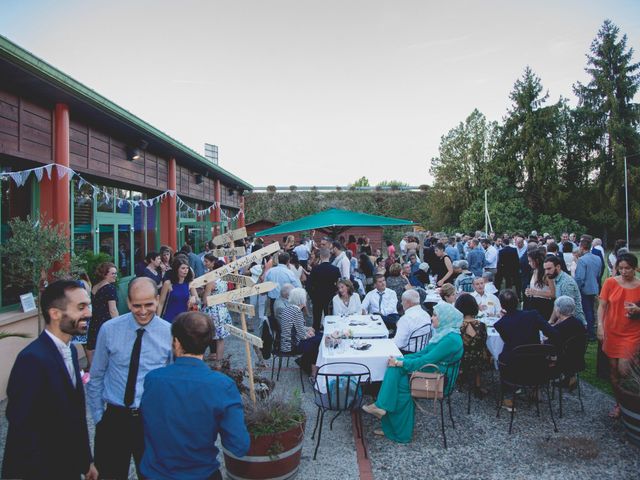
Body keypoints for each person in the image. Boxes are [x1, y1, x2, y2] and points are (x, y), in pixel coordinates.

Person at [2, 280, 98, 480]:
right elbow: (21, 426)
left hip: (69, 467)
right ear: (55, 314)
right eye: (81, 307)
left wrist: (86, 460)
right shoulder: (32, 359)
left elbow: (75, 414)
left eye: (88, 306)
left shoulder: (71, 350)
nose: (88, 313)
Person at [140, 312, 249, 480]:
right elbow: (239, 445)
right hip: (201, 472)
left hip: (156, 473)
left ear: (176, 342)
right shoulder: (222, 386)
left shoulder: (152, 379)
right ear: (207, 343)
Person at [87, 277, 172, 479]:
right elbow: (96, 375)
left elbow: (171, 382)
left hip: (150, 419)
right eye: (136, 305)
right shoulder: (109, 330)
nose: (143, 311)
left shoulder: (169, 333)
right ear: (128, 302)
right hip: (114, 419)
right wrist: (99, 418)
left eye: (149, 304)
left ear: (158, 299)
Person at [362, 302, 464, 442]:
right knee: (397, 374)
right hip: (433, 371)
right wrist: (400, 358)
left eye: (435, 315)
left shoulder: (451, 339)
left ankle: (388, 415)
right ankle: (388, 418)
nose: (431, 318)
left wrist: (401, 363)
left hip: (440, 380)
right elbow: (422, 354)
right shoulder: (444, 334)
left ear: (445, 318)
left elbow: (426, 359)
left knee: (399, 381)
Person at [597, 253, 640, 418]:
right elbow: (602, 306)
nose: (623, 271)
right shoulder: (610, 283)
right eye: (620, 268)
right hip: (612, 331)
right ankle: (619, 403)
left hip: (632, 333)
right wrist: (600, 326)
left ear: (635, 268)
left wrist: (637, 310)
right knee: (613, 371)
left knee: (624, 370)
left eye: (627, 268)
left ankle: (630, 402)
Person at [279, 288, 322, 374]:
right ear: (302, 299)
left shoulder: (288, 308)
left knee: (318, 336)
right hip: (292, 345)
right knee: (319, 340)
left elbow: (297, 328)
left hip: (287, 342)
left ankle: (307, 363)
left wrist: (308, 332)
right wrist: (310, 334)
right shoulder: (297, 311)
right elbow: (302, 335)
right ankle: (312, 370)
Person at [455, 293, 489, 398]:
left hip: (462, 358)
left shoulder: (457, 326)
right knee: (478, 352)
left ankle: (460, 376)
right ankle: (477, 385)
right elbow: (484, 341)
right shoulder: (482, 325)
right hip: (479, 358)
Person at [86, 262, 119, 366]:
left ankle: (92, 371)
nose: (115, 276)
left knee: (92, 347)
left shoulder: (95, 287)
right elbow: (113, 310)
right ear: (105, 274)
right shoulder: (110, 288)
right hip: (106, 322)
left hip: (94, 321)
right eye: (113, 273)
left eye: (116, 273)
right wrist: (118, 325)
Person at [202, 257, 232, 366]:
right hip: (222, 310)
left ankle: (199, 357)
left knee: (206, 335)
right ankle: (218, 362)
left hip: (212, 310)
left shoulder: (212, 281)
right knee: (220, 338)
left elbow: (206, 300)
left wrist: (204, 293)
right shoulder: (224, 281)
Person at [544, 256, 586, 327]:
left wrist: (553, 325)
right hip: (569, 323)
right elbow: (558, 305)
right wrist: (551, 321)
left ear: (558, 267)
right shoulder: (558, 279)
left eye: (549, 269)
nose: (546, 272)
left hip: (574, 325)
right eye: (545, 269)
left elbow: (567, 312)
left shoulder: (566, 283)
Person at [575, 238, 603, 340]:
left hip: (584, 289)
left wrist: (577, 288)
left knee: (587, 311)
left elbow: (579, 278)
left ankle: (590, 333)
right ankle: (592, 331)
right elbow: (599, 274)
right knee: (591, 310)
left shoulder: (582, 260)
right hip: (594, 287)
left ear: (582, 247)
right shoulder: (598, 258)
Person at [306, 248, 341, 330]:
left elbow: (308, 285)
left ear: (320, 256)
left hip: (317, 297)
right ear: (329, 256)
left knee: (316, 321)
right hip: (330, 297)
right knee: (330, 320)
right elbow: (339, 284)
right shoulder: (335, 269)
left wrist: (312, 296)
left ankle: (316, 336)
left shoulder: (315, 269)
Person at [159, 256, 199, 323]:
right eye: (183, 268)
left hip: (184, 318)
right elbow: (161, 303)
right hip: (169, 318)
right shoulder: (168, 283)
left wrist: (194, 298)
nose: (186, 270)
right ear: (176, 269)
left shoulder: (189, 283)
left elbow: (198, 300)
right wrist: (158, 319)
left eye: (187, 268)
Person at [265, 252, 302, 318]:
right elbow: (297, 287)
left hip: (273, 299)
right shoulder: (289, 273)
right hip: (285, 301)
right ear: (288, 261)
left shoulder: (270, 271)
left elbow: (265, 286)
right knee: (286, 320)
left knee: (274, 319)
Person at [525, 249, 555, 321]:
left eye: (530, 261)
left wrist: (535, 292)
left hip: (544, 305)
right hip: (533, 303)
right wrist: (528, 292)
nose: (529, 263)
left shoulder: (546, 274)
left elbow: (553, 294)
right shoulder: (534, 271)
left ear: (537, 261)